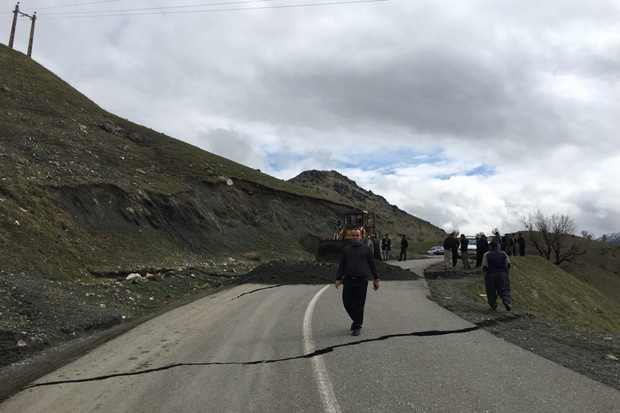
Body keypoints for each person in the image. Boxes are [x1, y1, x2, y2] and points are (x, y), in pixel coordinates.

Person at [335, 229, 380, 336]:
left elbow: (372, 264)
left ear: (361, 237)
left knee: (359, 304)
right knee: (347, 303)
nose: (355, 237)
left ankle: (357, 326)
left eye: (357, 235)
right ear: (351, 237)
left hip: (361, 280)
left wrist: (376, 278)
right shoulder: (346, 250)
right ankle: (356, 320)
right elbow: (341, 265)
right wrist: (338, 278)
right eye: (353, 235)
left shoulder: (367, 249)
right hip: (348, 280)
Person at [481, 240, 511, 311]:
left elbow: (484, 267)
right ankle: (506, 301)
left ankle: (493, 306)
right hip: (502, 273)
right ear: (498, 246)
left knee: (491, 291)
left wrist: (485, 276)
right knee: (505, 289)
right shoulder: (503, 254)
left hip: (491, 274)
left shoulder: (486, 254)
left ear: (490, 246)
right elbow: (508, 265)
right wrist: (507, 275)